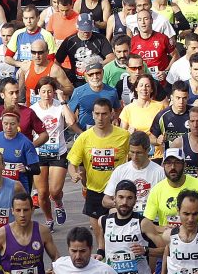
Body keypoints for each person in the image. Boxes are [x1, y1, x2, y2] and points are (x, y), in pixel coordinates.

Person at [67, 98, 130, 244]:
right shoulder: (84, 138)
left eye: (104, 114)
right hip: (94, 191)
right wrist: (74, 174)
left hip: (117, 191)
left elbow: (133, 158)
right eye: (97, 114)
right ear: (93, 115)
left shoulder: (124, 136)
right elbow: (72, 163)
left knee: (113, 233)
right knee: (99, 235)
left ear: (112, 114)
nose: (100, 118)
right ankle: (102, 256)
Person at [30, 76, 76, 228]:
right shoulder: (33, 110)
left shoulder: (59, 106)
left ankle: (58, 203)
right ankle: (49, 219)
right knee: (42, 193)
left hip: (58, 152)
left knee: (54, 191)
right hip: (39, 153)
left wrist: (62, 100)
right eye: (43, 91)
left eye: (50, 91)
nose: (47, 95)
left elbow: (71, 122)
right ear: (38, 92)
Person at [143, 148, 198, 229]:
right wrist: (162, 228)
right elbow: (147, 222)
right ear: (163, 166)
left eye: (177, 162)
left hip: (196, 238)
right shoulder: (156, 190)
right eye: (168, 163)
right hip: (169, 239)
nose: (172, 167)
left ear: (184, 165)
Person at [102, 131, 166, 215]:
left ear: (148, 150)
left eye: (139, 153)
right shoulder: (120, 170)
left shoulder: (160, 172)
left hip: (150, 217)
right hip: (127, 216)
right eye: (132, 152)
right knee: (111, 212)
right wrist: (123, 204)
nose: (135, 157)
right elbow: (105, 201)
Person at [0, 108, 40, 195]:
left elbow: (36, 169)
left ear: (18, 124)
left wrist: (25, 169)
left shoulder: (26, 143)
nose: (8, 127)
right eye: (5, 123)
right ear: (2, 123)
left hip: (18, 189)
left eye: (12, 124)